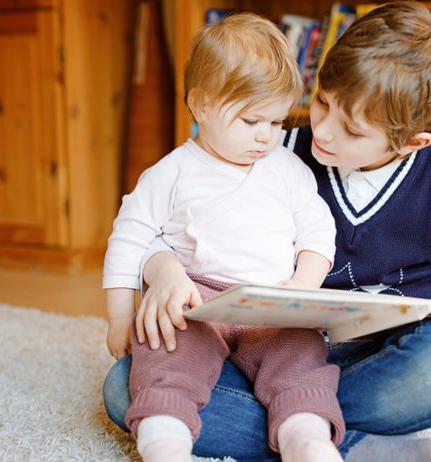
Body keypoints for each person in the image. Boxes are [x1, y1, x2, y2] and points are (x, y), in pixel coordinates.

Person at [103, 2, 431, 461]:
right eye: (322, 102)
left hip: (372, 366)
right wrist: (167, 270)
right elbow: (163, 221)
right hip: (260, 348)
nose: (324, 131)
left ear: (412, 142)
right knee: (125, 386)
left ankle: (300, 419)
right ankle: (353, 445)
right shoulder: (273, 148)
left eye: (351, 129)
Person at [103, 12, 347, 462]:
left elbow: (317, 230)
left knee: (302, 361)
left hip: (272, 303)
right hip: (197, 301)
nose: (265, 137)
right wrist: (120, 316)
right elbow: (129, 237)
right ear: (200, 105)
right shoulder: (171, 172)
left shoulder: (287, 170)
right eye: (251, 121)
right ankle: (165, 441)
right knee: (163, 349)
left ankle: (306, 438)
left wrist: (303, 287)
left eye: (276, 124)